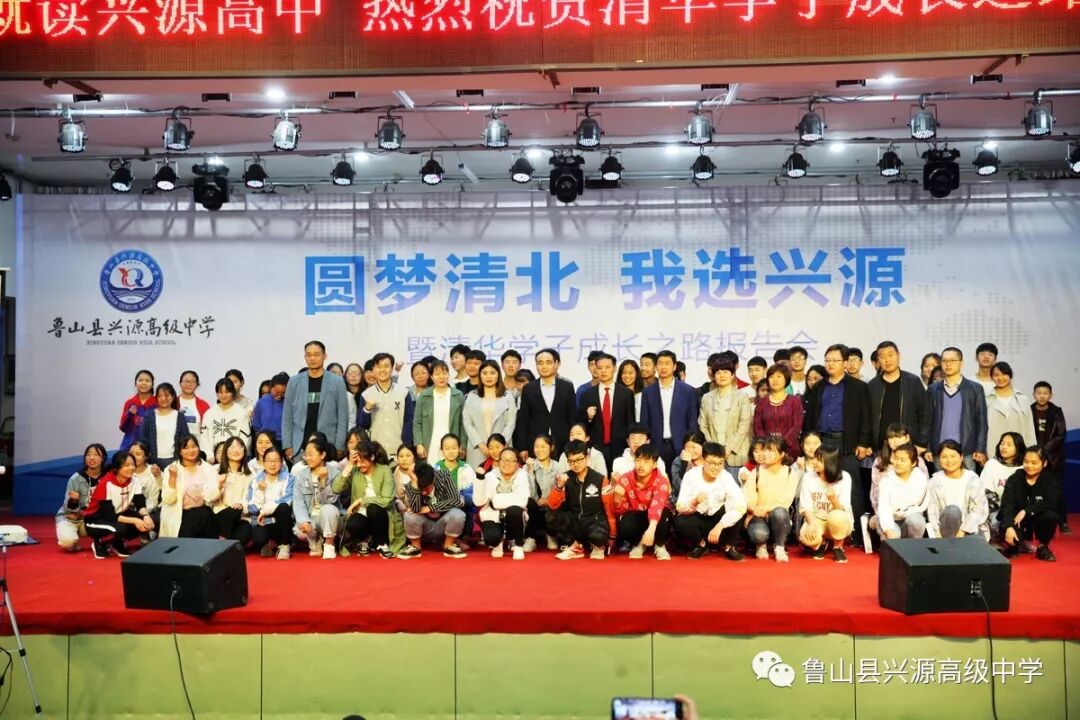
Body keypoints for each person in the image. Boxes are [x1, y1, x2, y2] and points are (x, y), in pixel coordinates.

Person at [802, 344, 873, 545]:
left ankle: (855, 534)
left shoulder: (858, 387)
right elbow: (810, 418)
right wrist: (809, 441)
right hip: (822, 441)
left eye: (835, 360)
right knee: (821, 482)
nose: (830, 364)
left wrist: (863, 442)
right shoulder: (818, 387)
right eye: (827, 360)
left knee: (853, 487)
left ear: (845, 363)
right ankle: (823, 530)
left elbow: (866, 417)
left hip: (847, 441)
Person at [674, 442, 747, 560]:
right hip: (698, 517)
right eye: (712, 463)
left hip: (719, 520)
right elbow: (680, 506)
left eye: (720, 463)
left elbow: (740, 505)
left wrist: (721, 525)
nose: (716, 467)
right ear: (703, 460)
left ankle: (729, 548)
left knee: (738, 510)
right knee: (680, 521)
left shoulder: (726, 477)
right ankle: (701, 545)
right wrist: (694, 502)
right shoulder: (690, 475)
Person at [283, 341, 351, 464]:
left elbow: (343, 417)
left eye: (316, 354)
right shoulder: (294, 382)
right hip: (299, 446)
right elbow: (287, 416)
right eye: (309, 355)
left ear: (325, 356)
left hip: (327, 446)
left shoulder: (337, 382)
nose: (312, 358)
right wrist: (287, 444)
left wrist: (340, 446)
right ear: (305, 357)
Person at [548, 439, 615, 560]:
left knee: (598, 536)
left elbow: (609, 509)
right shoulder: (565, 478)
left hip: (595, 522)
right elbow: (552, 505)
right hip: (575, 523)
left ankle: (597, 546)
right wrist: (559, 486)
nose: (575, 464)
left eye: (579, 459)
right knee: (551, 517)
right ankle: (575, 547)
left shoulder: (601, 479)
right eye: (571, 461)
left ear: (587, 458)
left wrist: (612, 536)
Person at [926, 347, 989, 471]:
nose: (948, 364)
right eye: (944, 361)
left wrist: (980, 448)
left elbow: (981, 422)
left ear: (961, 363)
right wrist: (928, 448)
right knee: (941, 482)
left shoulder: (975, 389)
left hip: (967, 451)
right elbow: (928, 421)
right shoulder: (933, 389)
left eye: (952, 360)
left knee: (968, 482)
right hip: (940, 451)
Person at [333, 439, 397, 559]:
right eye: (357, 462)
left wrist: (362, 500)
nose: (359, 465)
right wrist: (349, 465)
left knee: (373, 509)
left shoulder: (384, 470)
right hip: (361, 513)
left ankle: (382, 544)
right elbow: (336, 488)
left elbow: (388, 500)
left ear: (372, 457)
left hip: (381, 513)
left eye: (362, 461)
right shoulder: (355, 470)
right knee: (353, 523)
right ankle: (365, 540)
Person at [641, 350, 700, 472]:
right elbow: (645, 421)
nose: (663, 367)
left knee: (681, 478)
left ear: (674, 366)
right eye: (660, 363)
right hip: (656, 445)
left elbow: (692, 421)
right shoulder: (648, 392)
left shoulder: (688, 391)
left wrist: (690, 446)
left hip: (681, 445)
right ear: (656, 367)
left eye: (667, 363)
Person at [84, 451, 150, 558]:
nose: (131, 468)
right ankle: (99, 542)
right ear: (116, 468)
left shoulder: (135, 480)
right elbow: (109, 515)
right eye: (127, 465)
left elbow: (140, 502)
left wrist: (146, 516)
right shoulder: (106, 483)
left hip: (116, 516)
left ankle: (116, 542)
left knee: (144, 522)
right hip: (95, 519)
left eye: (133, 464)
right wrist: (135, 520)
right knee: (121, 529)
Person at [868, 341, 931, 454]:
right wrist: (867, 444)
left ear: (899, 356)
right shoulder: (873, 385)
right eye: (882, 356)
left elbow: (925, 415)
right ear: (878, 360)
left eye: (890, 355)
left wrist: (922, 443)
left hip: (908, 446)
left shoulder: (913, 382)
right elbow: (867, 418)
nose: (887, 360)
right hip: (880, 448)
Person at [611, 444, 673, 560]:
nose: (641, 465)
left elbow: (657, 506)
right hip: (637, 514)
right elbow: (620, 511)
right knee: (624, 523)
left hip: (656, 517)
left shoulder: (661, 480)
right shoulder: (625, 479)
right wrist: (617, 498)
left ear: (654, 465)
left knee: (664, 514)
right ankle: (637, 544)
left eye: (646, 462)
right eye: (638, 461)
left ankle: (659, 545)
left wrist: (651, 529)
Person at [576, 353, 634, 473]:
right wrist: (589, 417)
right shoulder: (587, 394)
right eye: (599, 368)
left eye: (607, 367)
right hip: (596, 447)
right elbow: (580, 423)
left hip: (620, 446)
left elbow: (630, 422)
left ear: (615, 369)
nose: (603, 371)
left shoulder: (626, 394)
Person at [743, 435, 799, 562]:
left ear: (782, 454)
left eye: (771, 451)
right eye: (765, 450)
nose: (765, 454)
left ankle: (779, 546)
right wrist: (753, 509)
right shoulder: (756, 471)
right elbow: (748, 497)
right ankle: (761, 545)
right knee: (759, 534)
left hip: (778, 517)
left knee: (780, 512)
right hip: (758, 515)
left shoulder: (790, 473)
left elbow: (785, 502)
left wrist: (764, 508)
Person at [999, 446, 1060, 561]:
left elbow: (1051, 502)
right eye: (1026, 462)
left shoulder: (1050, 479)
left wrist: (1026, 511)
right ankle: (1013, 546)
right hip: (1017, 521)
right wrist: (1009, 527)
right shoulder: (1015, 479)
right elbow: (1007, 505)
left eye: (1034, 463)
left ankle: (1042, 547)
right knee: (1007, 522)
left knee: (1051, 516)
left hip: (1037, 519)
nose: (1029, 466)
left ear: (1044, 463)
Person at [514, 348, 577, 459]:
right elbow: (524, 420)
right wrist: (523, 447)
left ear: (556, 364)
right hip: (536, 444)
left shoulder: (567, 387)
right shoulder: (528, 388)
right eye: (540, 363)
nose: (544, 366)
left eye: (548, 362)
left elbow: (572, 417)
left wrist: (574, 444)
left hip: (562, 442)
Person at [400, 461, 468, 558]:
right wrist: (415, 483)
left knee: (458, 514)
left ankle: (448, 546)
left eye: (427, 488)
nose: (424, 493)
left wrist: (429, 508)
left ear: (433, 479)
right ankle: (415, 547)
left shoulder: (444, 476)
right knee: (409, 515)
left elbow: (456, 500)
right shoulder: (411, 485)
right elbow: (415, 509)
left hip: (444, 522)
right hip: (425, 526)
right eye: (421, 489)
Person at [698, 355, 753, 473]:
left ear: (732, 375)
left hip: (736, 455)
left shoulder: (742, 396)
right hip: (713, 455)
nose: (722, 375)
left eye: (726, 372)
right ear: (714, 376)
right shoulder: (706, 398)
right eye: (718, 372)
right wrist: (714, 448)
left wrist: (728, 449)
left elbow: (744, 425)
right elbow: (703, 425)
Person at [799, 446, 854, 563]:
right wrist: (811, 524)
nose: (814, 462)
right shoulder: (808, 477)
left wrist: (833, 499)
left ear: (831, 462)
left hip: (836, 519)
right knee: (807, 538)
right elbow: (806, 506)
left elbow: (843, 509)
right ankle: (822, 543)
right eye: (814, 458)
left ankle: (838, 547)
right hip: (817, 518)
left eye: (819, 460)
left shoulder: (845, 478)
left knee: (838, 517)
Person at [291, 436, 343, 559]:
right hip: (312, 517)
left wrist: (323, 482)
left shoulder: (335, 473)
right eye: (306, 455)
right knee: (299, 530)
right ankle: (315, 541)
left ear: (323, 455)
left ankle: (329, 543)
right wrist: (304, 520)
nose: (307, 458)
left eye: (311, 454)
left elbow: (330, 501)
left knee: (328, 509)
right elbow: (298, 502)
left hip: (331, 519)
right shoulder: (301, 475)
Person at [926, 439, 989, 540]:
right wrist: (937, 534)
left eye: (953, 456)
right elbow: (932, 511)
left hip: (969, 529)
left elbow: (978, 510)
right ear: (939, 459)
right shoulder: (934, 481)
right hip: (944, 530)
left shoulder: (972, 479)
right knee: (952, 511)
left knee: (975, 542)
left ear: (961, 457)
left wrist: (961, 532)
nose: (949, 460)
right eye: (944, 457)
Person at [474, 447, 530, 560]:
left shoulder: (522, 475)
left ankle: (518, 544)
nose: (506, 463)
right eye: (503, 460)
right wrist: (480, 479)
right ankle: (498, 543)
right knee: (491, 539)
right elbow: (478, 501)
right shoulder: (490, 476)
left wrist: (494, 502)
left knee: (514, 510)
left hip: (513, 516)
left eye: (511, 460)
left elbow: (523, 500)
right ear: (499, 462)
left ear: (517, 464)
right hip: (493, 515)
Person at [160, 436, 220, 539]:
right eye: (186, 447)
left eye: (194, 446)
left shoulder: (208, 469)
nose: (191, 450)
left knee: (206, 518)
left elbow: (213, 497)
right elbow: (168, 499)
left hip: (203, 513)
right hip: (180, 514)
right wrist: (173, 477)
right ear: (179, 451)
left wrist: (219, 485)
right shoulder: (171, 469)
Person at [463, 360, 517, 469]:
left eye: (492, 373)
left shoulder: (507, 396)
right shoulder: (472, 396)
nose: (488, 376)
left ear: (498, 375)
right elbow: (467, 422)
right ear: (480, 375)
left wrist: (499, 445)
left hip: (502, 448)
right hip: (477, 447)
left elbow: (511, 423)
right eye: (484, 373)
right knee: (477, 476)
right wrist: (481, 445)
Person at [55, 443, 109, 551]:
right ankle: (73, 540)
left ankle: (108, 541)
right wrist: (73, 501)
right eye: (88, 454)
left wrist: (83, 514)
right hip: (71, 519)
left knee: (112, 520)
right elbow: (67, 510)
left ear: (103, 458)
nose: (91, 457)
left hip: (93, 518)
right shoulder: (75, 478)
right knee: (67, 543)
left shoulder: (108, 478)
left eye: (96, 454)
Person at [358, 352, 415, 454]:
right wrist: (367, 409)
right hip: (375, 452)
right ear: (373, 369)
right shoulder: (366, 395)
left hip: (399, 451)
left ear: (392, 368)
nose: (382, 370)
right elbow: (362, 425)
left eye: (386, 366)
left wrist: (406, 447)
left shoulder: (404, 393)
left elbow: (409, 421)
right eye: (378, 366)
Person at [246, 446, 296, 558]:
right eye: (268, 460)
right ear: (263, 463)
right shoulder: (256, 480)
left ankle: (284, 546)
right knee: (259, 538)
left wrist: (265, 510)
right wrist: (260, 491)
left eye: (276, 460)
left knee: (283, 507)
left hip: (281, 520)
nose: (272, 464)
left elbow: (287, 500)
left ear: (282, 462)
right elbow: (253, 507)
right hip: (262, 520)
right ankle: (268, 543)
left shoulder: (289, 479)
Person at [1031, 381, 1068, 532]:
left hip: (1053, 459)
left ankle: (1062, 522)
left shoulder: (1057, 412)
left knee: (1056, 491)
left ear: (1051, 395)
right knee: (1034, 490)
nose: (1042, 396)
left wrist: (1044, 450)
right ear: (1034, 394)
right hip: (1033, 458)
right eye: (1039, 393)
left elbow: (1061, 435)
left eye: (1045, 393)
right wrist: (1035, 452)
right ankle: (1033, 521)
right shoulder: (1029, 410)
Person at [413, 360, 466, 464]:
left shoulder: (458, 395)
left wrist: (462, 445)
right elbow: (417, 423)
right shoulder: (424, 396)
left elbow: (463, 424)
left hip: (452, 445)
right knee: (432, 471)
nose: (441, 377)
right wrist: (419, 444)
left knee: (450, 471)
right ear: (431, 376)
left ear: (448, 375)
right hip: (430, 443)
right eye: (437, 374)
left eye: (444, 373)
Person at [876, 444, 929, 540]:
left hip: (911, 517)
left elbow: (920, 505)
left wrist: (900, 512)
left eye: (903, 460)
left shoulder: (921, 478)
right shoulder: (886, 480)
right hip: (891, 520)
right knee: (892, 537)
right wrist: (888, 530)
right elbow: (884, 509)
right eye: (896, 459)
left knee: (916, 521)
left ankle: (913, 547)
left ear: (913, 463)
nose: (898, 463)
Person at [752, 364, 803, 464]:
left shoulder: (795, 401)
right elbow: (757, 427)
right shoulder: (762, 402)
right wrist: (769, 444)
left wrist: (781, 444)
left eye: (779, 376)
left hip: (790, 451)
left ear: (786, 379)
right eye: (772, 377)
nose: (775, 380)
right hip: (767, 451)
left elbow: (797, 426)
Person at [980, 431, 1026, 536]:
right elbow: (985, 491)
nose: (1004, 447)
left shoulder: (1024, 466)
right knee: (996, 522)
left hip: (1018, 508)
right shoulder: (992, 464)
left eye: (1009, 445)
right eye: (1002, 443)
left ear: (1018, 447)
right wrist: (1003, 508)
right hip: (997, 508)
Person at [986, 361, 1037, 453]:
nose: (1000, 378)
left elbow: (1029, 427)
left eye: (1004, 374)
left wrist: (1032, 450)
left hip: (1018, 449)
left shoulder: (1022, 399)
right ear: (992, 377)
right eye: (996, 375)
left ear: (1010, 376)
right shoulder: (985, 399)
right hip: (993, 447)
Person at [434, 433, 478, 539]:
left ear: (459, 449)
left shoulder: (466, 468)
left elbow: (471, 495)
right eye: (447, 448)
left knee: (467, 502)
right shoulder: (436, 468)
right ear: (442, 450)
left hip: (462, 507)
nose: (451, 451)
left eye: (454, 448)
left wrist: (457, 498)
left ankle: (461, 536)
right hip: (442, 508)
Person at [212, 436, 254, 548]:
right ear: (226, 451)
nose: (236, 450)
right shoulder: (215, 470)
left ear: (244, 450)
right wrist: (219, 485)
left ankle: (224, 542)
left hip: (241, 516)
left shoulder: (251, 474)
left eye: (240, 447)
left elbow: (251, 498)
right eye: (232, 447)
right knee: (232, 512)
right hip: (220, 515)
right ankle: (223, 542)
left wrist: (242, 505)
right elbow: (209, 497)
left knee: (244, 534)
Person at [138, 382, 190, 469]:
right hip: (153, 463)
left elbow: (185, 439)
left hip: (175, 461)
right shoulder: (149, 416)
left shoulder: (179, 416)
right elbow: (143, 440)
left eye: (166, 395)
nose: (163, 398)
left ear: (173, 396)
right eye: (160, 396)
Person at [200, 378, 252, 458]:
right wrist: (209, 456)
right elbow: (204, 437)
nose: (223, 395)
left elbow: (246, 438)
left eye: (227, 392)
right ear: (216, 393)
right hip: (213, 459)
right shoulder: (209, 413)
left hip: (235, 457)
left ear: (233, 392)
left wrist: (236, 455)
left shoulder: (241, 413)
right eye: (220, 392)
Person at [524, 434, 559, 551]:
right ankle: (531, 538)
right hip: (534, 508)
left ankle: (551, 535)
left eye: (543, 446)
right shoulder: (527, 467)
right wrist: (530, 471)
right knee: (529, 502)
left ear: (551, 448)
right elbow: (530, 494)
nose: (539, 450)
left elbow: (562, 492)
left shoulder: (558, 467)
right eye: (536, 447)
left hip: (552, 507)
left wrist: (548, 501)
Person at [119, 369, 156, 451]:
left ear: (152, 385)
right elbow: (123, 427)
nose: (144, 383)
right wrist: (129, 414)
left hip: (151, 446)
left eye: (147, 381)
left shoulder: (157, 403)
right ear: (135, 384)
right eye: (140, 380)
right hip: (130, 445)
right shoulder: (130, 403)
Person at [669, 431, 705, 504]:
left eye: (694, 447)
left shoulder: (709, 460)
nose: (691, 451)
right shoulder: (678, 461)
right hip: (684, 501)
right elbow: (678, 487)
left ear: (703, 446)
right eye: (687, 447)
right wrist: (684, 464)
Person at [252, 373, 288, 445]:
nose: (279, 395)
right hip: (265, 441)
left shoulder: (290, 402)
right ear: (271, 388)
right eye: (277, 392)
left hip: (283, 442)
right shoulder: (262, 401)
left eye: (283, 393)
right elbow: (256, 424)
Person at [177, 370, 210, 439]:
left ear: (197, 385)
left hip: (197, 443)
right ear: (180, 383)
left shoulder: (204, 405)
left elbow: (207, 429)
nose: (189, 384)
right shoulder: (172, 402)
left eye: (192, 382)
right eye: (186, 381)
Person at [344, 362, 366, 428]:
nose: (353, 376)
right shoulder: (341, 393)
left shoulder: (366, 393)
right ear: (345, 375)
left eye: (357, 373)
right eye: (350, 373)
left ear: (362, 375)